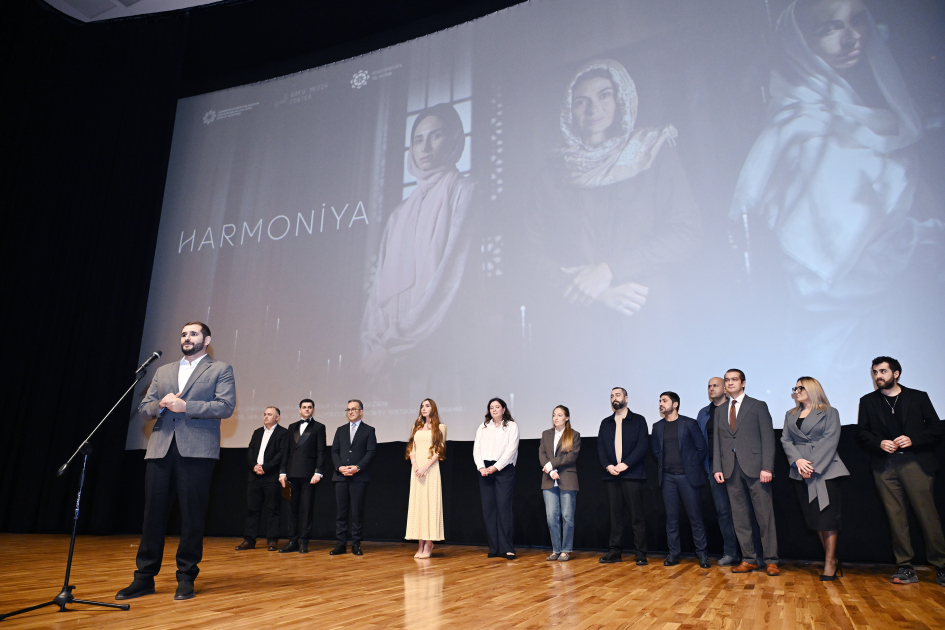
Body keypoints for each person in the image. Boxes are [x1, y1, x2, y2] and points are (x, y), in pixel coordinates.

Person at [730, 0, 941, 371]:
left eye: (857, 22)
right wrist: (927, 240)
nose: (853, 38)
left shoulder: (855, 111)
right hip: (844, 333)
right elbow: (835, 260)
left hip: (889, 321)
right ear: (798, 43)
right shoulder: (802, 130)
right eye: (829, 28)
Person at [527, 58, 700, 319]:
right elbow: (530, 254)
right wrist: (596, 293)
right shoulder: (551, 176)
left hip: (647, 312)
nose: (593, 108)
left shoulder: (651, 154)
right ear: (568, 110)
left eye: (604, 95)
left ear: (621, 99)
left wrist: (609, 270)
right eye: (581, 101)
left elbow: (687, 233)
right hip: (577, 323)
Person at [117, 321, 236, 601]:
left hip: (196, 450)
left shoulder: (220, 369)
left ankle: (186, 578)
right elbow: (145, 409)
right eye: (183, 334)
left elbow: (225, 406)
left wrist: (187, 407)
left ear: (206, 339)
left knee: (192, 517)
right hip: (160, 449)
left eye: (193, 333)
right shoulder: (164, 370)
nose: (187, 337)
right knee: (153, 516)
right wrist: (159, 404)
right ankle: (144, 578)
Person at [361, 103, 476, 378]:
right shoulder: (399, 214)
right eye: (418, 140)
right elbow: (378, 291)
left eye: (435, 136)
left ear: (454, 139)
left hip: (438, 347)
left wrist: (394, 342)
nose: (424, 148)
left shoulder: (464, 191)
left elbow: (450, 274)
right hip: (386, 356)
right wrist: (372, 343)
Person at [856, 356, 945, 586]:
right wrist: (879, 443)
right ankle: (905, 566)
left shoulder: (918, 397)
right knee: (896, 517)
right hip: (885, 466)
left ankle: (941, 565)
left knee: (927, 516)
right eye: (875, 372)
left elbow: (936, 428)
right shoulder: (867, 401)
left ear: (896, 374)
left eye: (883, 371)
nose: (878, 376)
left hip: (915, 462)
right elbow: (862, 433)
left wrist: (913, 439)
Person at [780, 377, 849, 580]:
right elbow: (785, 439)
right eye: (795, 388)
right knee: (815, 520)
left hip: (825, 470)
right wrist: (798, 462)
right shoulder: (790, 414)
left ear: (812, 388)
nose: (797, 391)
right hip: (800, 471)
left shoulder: (829, 412)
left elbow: (830, 440)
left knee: (827, 519)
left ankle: (830, 563)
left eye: (801, 387)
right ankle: (832, 559)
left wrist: (812, 466)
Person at [712, 369, 780, 576]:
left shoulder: (757, 406)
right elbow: (718, 442)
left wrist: (767, 467)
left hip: (756, 469)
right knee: (739, 517)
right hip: (730, 469)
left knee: (764, 516)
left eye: (734, 380)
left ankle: (771, 560)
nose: (730, 383)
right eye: (727, 380)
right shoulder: (720, 410)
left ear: (743, 383)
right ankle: (749, 559)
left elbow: (768, 439)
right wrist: (717, 467)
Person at [696, 377, 756, 566]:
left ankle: (753, 554)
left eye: (715, 385)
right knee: (723, 513)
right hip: (716, 470)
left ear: (725, 388)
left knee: (747, 511)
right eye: (709, 386)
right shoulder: (704, 413)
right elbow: (701, 444)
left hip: (740, 468)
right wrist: (709, 468)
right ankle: (731, 552)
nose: (711, 389)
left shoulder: (738, 408)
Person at [651, 392, 710, 568]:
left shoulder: (689, 423)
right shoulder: (657, 426)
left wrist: (690, 466)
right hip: (668, 478)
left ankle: (702, 554)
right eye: (660, 401)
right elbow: (655, 451)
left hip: (687, 477)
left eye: (664, 401)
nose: (661, 404)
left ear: (675, 404)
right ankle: (673, 553)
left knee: (695, 517)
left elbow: (702, 448)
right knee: (672, 518)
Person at [598, 387, 649, 565]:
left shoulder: (638, 420)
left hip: (632, 474)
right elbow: (601, 448)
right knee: (615, 516)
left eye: (617, 395)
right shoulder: (606, 423)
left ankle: (640, 553)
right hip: (611, 475)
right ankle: (615, 552)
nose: (614, 398)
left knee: (637, 516)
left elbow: (643, 445)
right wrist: (608, 466)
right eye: (611, 396)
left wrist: (625, 464)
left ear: (626, 398)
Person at [277, 399, 327, 554]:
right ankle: (292, 541)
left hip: (308, 474)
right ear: (299, 409)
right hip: (292, 473)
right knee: (291, 508)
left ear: (313, 409)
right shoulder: (291, 427)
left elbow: (321, 451)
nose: (306, 409)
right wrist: (282, 471)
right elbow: (286, 451)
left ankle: (304, 541)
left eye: (309, 407)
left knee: (306, 509)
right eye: (304, 407)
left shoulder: (319, 427)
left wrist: (318, 471)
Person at [236, 406, 288, 552]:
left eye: (269, 414)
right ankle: (249, 540)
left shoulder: (283, 433)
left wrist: (265, 467)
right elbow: (250, 451)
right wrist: (254, 466)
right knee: (252, 509)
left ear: (277, 417)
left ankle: (272, 541)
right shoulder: (257, 432)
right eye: (265, 414)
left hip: (271, 477)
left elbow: (281, 454)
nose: (266, 417)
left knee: (273, 509)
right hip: (254, 476)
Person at [473, 397, 520, 559]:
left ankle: (507, 548)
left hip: (503, 470)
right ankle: (494, 548)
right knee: (489, 510)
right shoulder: (483, 426)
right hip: (485, 470)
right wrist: (481, 467)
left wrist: (496, 467)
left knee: (503, 508)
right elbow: (476, 448)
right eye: (491, 407)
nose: (494, 410)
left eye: (497, 407)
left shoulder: (511, 426)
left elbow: (511, 450)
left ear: (504, 409)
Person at [330, 400, 377, 556]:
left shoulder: (369, 430)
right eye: (348, 409)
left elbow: (371, 452)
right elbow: (334, 451)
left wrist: (357, 467)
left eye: (354, 409)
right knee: (341, 513)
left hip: (359, 477)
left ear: (361, 411)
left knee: (357, 512)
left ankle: (356, 544)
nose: (350, 412)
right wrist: (339, 467)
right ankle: (341, 544)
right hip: (341, 477)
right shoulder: (340, 430)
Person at [539, 405, 581, 562]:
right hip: (549, 479)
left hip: (567, 479)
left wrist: (552, 464)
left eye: (560, 415)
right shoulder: (546, 434)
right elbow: (542, 455)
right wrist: (550, 470)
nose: (556, 418)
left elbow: (571, 457)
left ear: (567, 418)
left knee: (567, 516)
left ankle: (566, 550)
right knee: (551, 517)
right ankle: (556, 549)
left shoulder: (574, 435)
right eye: (554, 415)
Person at [405, 399, 447, 558]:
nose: (424, 408)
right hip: (416, 471)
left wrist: (424, 467)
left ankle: (429, 543)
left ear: (433, 408)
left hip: (430, 470)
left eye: (427, 406)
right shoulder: (416, 427)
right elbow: (412, 449)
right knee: (418, 506)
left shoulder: (440, 427)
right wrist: (415, 465)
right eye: (422, 406)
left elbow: (439, 451)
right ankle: (420, 544)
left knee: (430, 505)